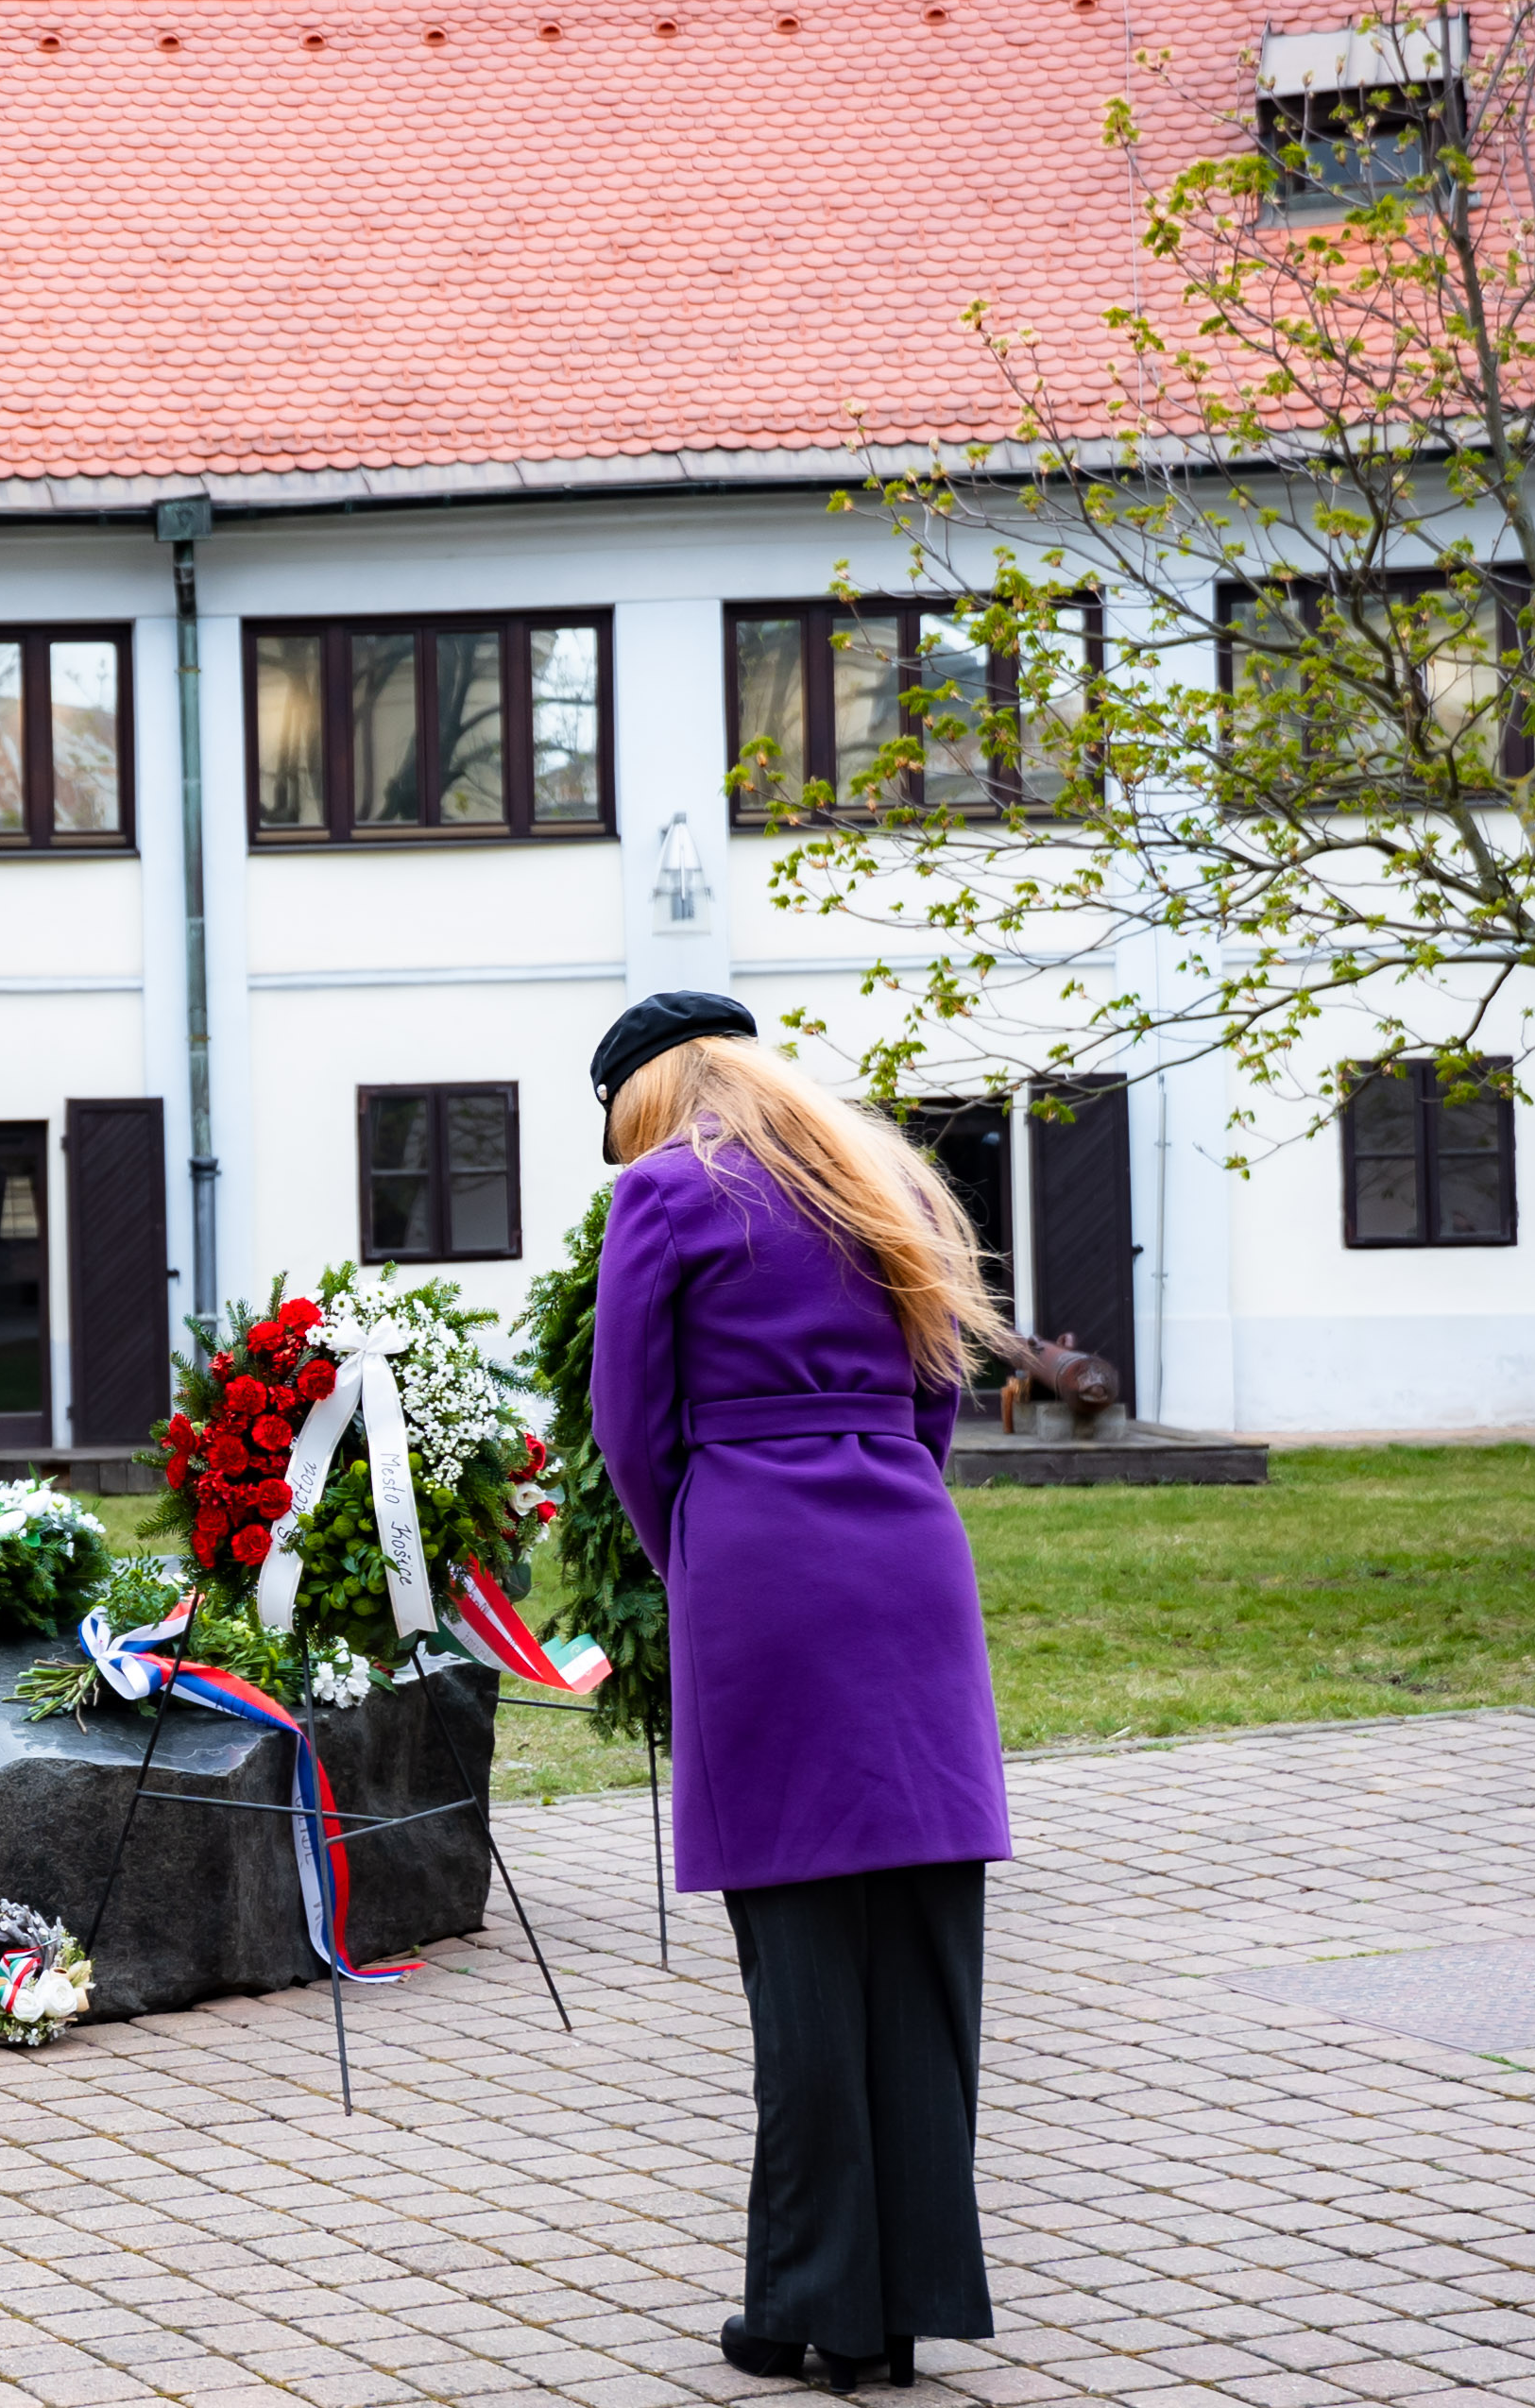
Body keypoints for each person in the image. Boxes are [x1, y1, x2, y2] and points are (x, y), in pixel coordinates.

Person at [584, 990, 1013, 2396]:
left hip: (760, 1560)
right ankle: (904, 2306)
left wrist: (698, 1553)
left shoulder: (663, 1191)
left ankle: (815, 2306)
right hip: (909, 1554)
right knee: (928, 1946)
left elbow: (630, 1426)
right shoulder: (877, 1177)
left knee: (806, 1958)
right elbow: (938, 1388)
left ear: (643, 1096)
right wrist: (884, 1494)